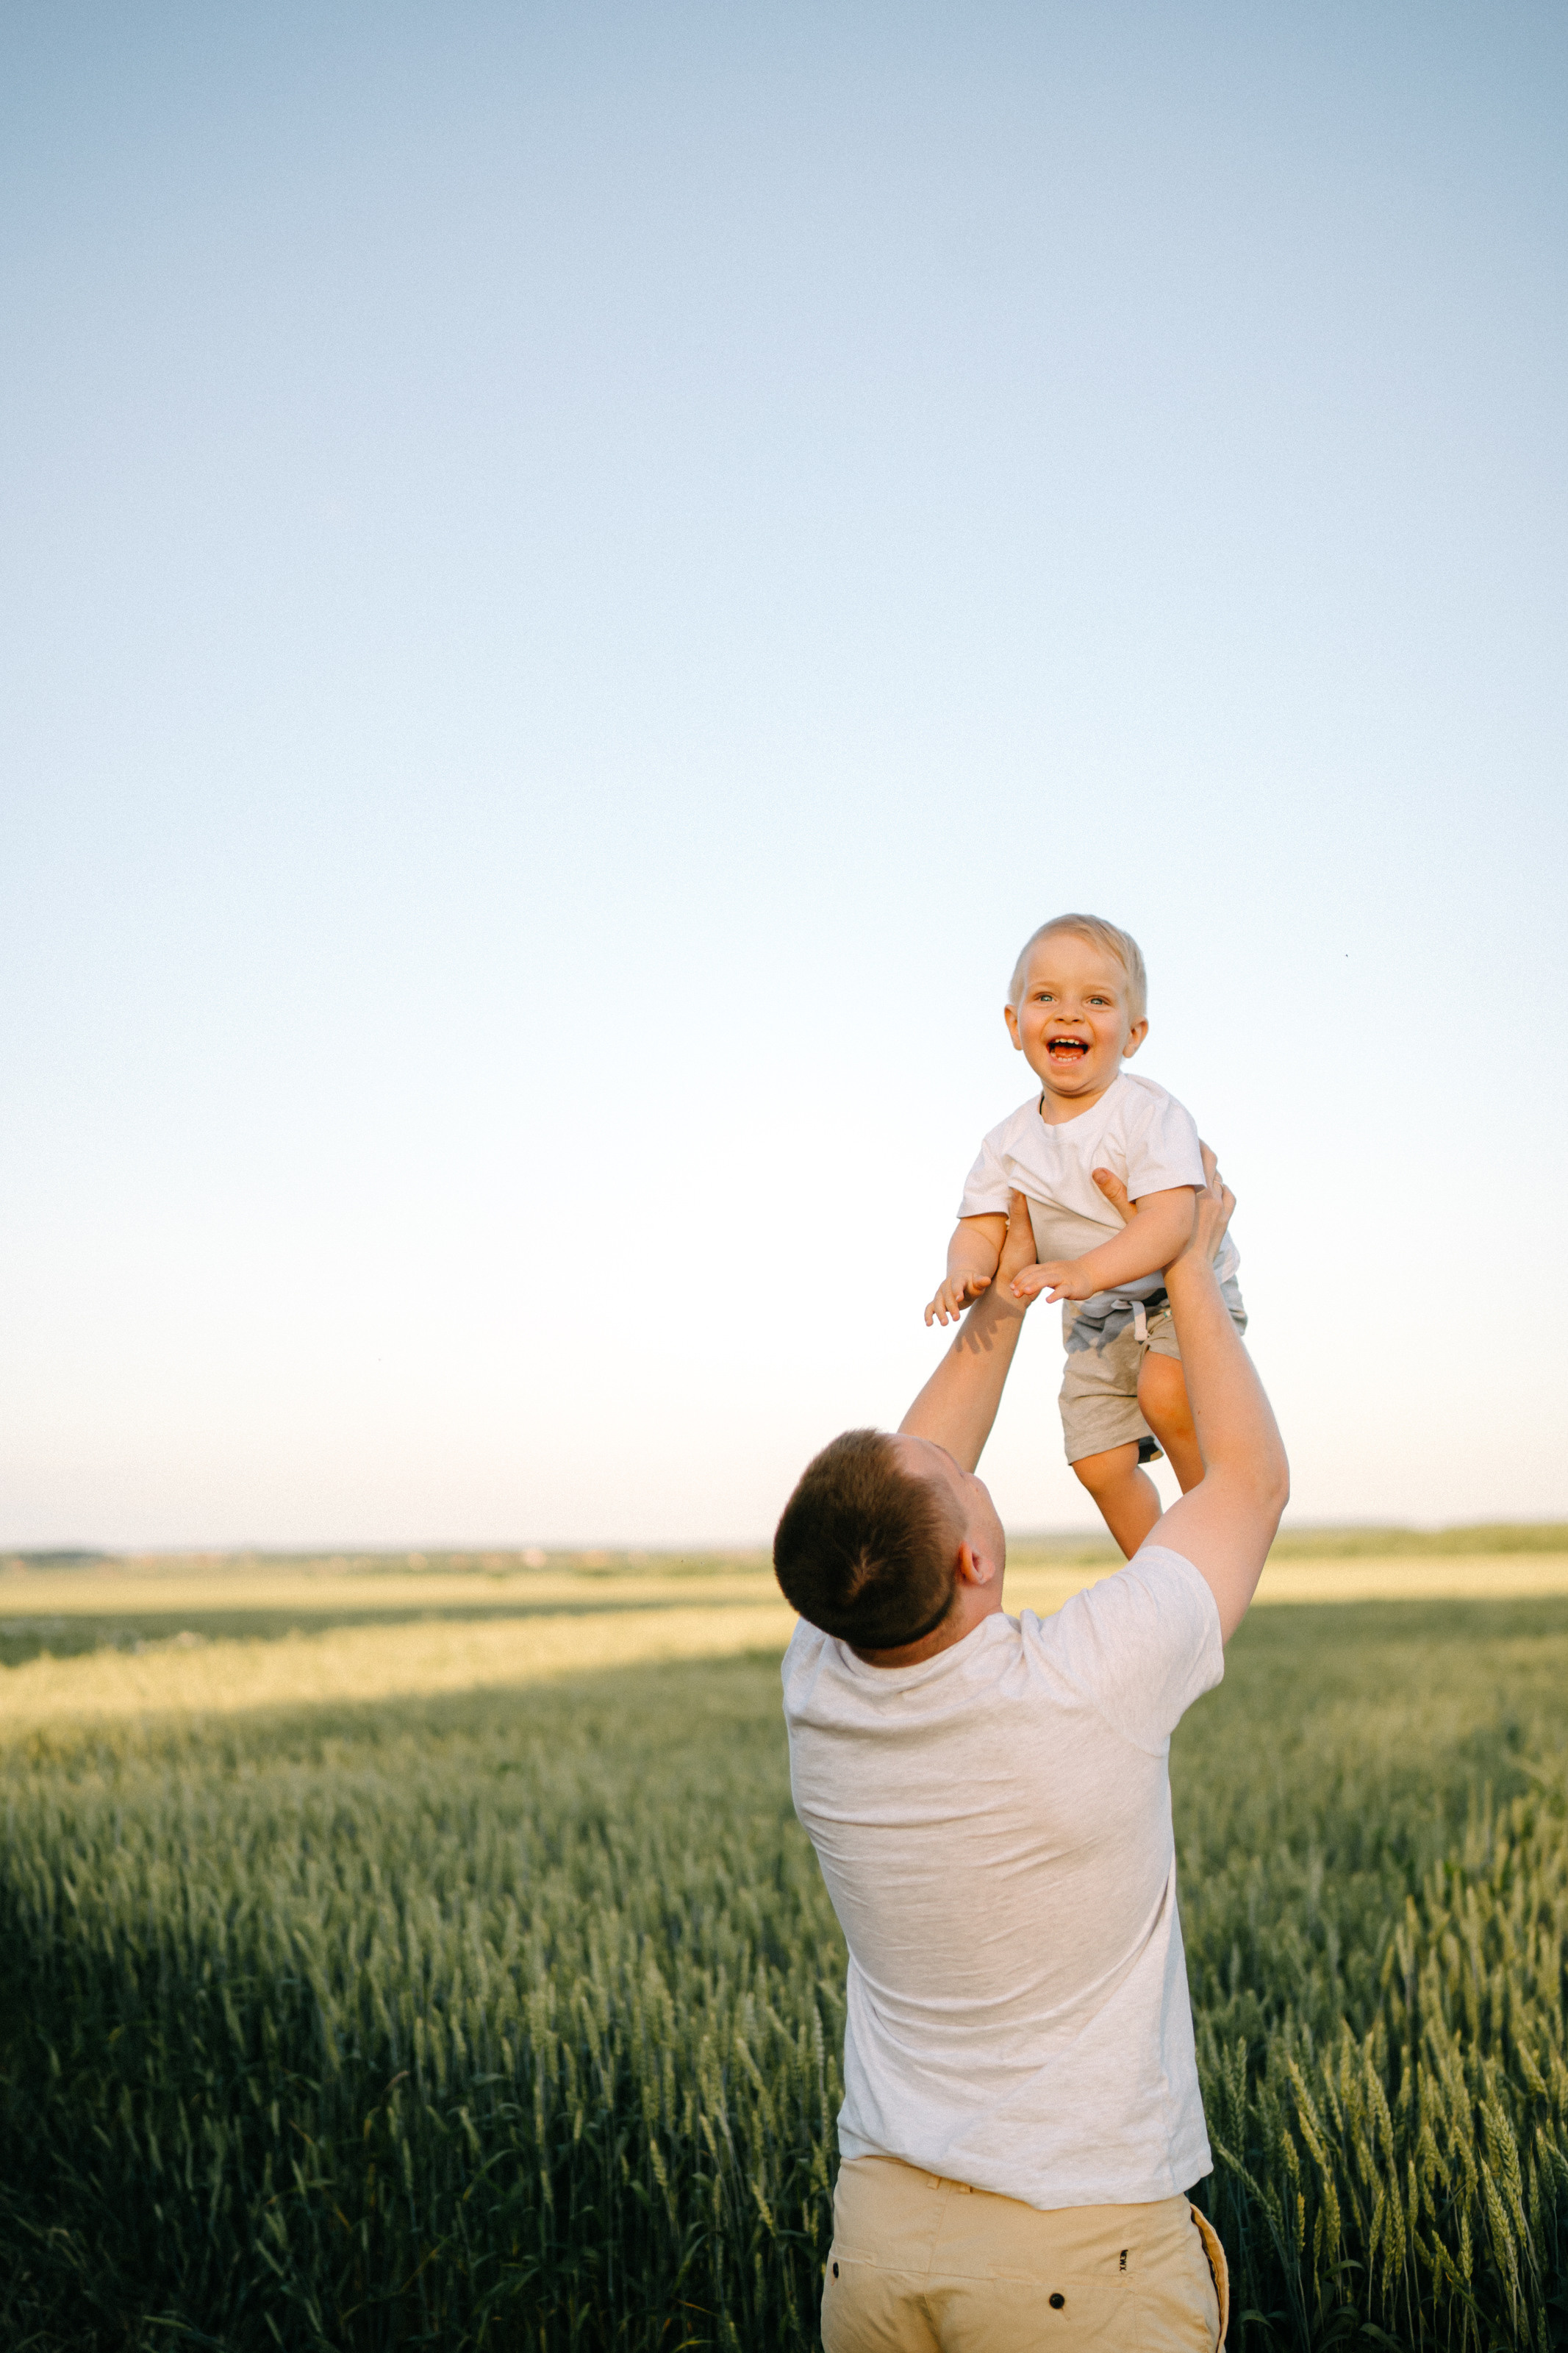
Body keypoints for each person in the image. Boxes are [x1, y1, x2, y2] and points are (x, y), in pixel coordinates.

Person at [774, 1157, 1287, 2350]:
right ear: (968, 1561)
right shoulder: (1080, 1685)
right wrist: (1190, 1259)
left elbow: (891, 1495)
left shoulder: (822, 1679)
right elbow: (1250, 1486)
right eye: (961, 1480)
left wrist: (1001, 1301)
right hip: (1073, 2258)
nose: (965, 1459)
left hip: (879, 2241)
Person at [923, 913, 1247, 1560]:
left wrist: (1084, 1272)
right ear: (1015, 1025)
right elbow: (983, 1221)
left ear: (1132, 1034)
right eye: (1046, 997)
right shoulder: (1008, 1142)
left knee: (1163, 1392)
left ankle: (1215, 1534)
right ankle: (1159, 1576)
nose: (1068, 1014)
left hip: (1178, 1295)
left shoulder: (1149, 1114)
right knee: (1096, 1459)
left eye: (1095, 1001)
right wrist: (963, 1270)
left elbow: (1170, 1221)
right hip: (1096, 1316)